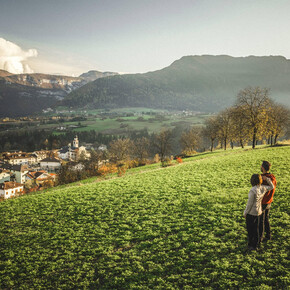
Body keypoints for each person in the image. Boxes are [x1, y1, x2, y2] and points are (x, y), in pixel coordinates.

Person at [243, 174, 274, 251]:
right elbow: (272, 186)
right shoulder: (263, 188)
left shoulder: (252, 190)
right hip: (259, 211)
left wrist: (245, 213)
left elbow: (249, 204)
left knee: (250, 229)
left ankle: (251, 244)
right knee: (256, 229)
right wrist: (267, 179)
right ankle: (256, 244)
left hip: (251, 213)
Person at [259, 161, 277, 242]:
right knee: (266, 219)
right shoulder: (272, 177)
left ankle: (261, 237)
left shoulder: (262, 178)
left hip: (262, 202)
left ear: (263, 167)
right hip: (269, 201)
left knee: (261, 220)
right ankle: (268, 235)